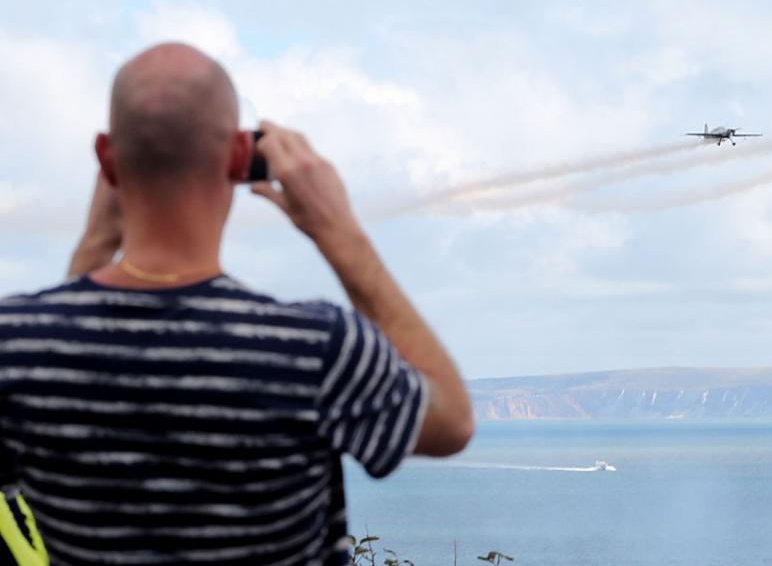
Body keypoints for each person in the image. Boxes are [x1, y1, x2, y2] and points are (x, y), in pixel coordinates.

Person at [0, 43, 475, 565]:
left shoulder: (19, 346)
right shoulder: (317, 349)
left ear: (106, 158)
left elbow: (58, 352)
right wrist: (338, 231)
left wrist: (94, 243)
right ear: (238, 158)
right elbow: (451, 422)